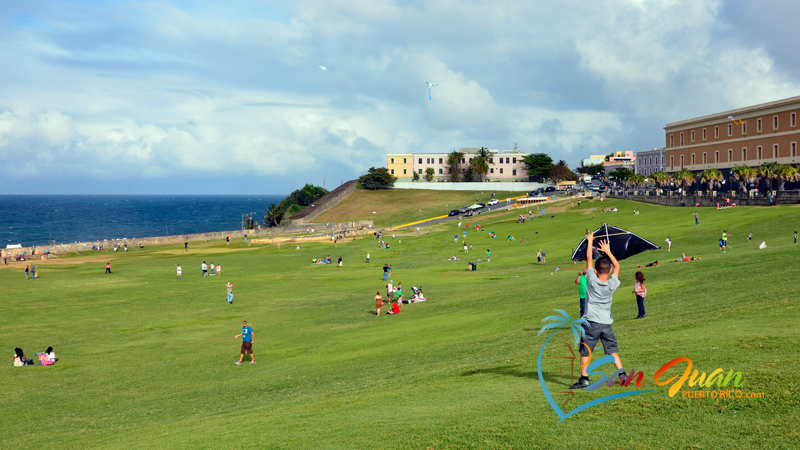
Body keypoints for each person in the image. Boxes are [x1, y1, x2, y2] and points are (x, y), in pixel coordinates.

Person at [571, 233, 626, 390]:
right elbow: (618, 266)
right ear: (609, 271)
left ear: (595, 270)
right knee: (612, 351)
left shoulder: (591, 281)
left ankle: (584, 379)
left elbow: (589, 259)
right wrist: (607, 250)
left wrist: (589, 241)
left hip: (591, 323)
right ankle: (622, 374)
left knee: (585, 351)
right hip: (606, 323)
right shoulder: (611, 284)